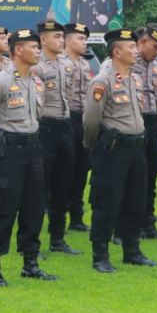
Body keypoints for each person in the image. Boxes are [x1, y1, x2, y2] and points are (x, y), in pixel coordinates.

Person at [0, 27, 58, 285]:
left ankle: (30, 263)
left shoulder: (35, 80)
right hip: (8, 152)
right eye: (33, 47)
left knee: (33, 208)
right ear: (18, 49)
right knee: (2, 210)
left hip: (33, 150)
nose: (38, 51)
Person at [82, 28, 157, 271]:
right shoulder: (102, 81)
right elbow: (91, 121)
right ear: (116, 51)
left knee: (135, 201)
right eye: (131, 47)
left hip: (136, 147)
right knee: (107, 202)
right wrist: (94, 147)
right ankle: (100, 255)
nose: (136, 51)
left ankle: (131, 250)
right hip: (113, 149)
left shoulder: (134, 78)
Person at [32, 20, 79, 255]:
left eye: (62, 36)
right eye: (56, 36)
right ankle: (32, 241)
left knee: (63, 186)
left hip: (65, 126)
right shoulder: (36, 66)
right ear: (43, 39)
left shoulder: (66, 64)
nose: (61, 40)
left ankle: (58, 238)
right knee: (39, 188)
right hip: (44, 128)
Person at [135, 25, 157, 239]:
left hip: (152, 122)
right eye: (155, 46)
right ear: (142, 42)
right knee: (132, 177)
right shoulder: (126, 64)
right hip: (133, 123)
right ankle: (127, 225)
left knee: (151, 174)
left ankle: (148, 222)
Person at [63, 23, 94, 233]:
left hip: (83, 119)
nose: (84, 43)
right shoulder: (59, 63)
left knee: (82, 169)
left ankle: (76, 216)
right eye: (80, 39)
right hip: (65, 119)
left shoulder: (84, 64)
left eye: (85, 39)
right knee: (64, 170)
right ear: (68, 40)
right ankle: (58, 214)